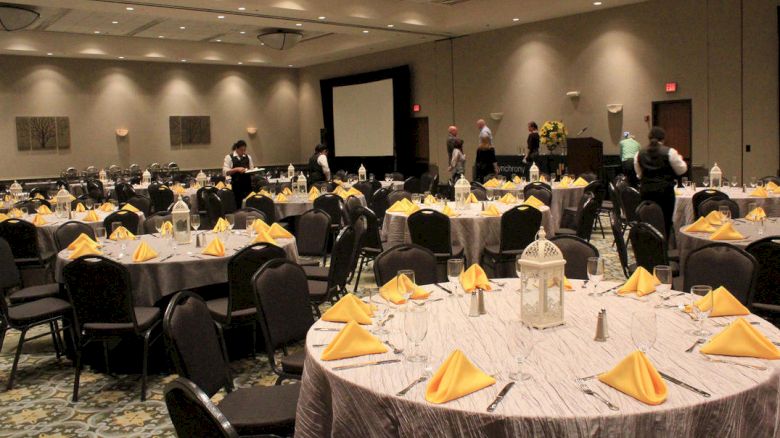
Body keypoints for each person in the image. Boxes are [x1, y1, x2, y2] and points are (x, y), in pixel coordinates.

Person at [633, 127, 687, 236]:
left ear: (649, 138)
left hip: (646, 192)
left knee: (647, 221)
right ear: (663, 139)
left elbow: (639, 175)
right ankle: (664, 243)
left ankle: (649, 243)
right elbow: (682, 170)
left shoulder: (639, 153)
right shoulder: (670, 152)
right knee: (665, 221)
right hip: (665, 193)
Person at [222, 140, 253, 205]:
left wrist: (251, 171)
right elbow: (225, 172)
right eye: (241, 150)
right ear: (236, 148)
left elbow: (251, 169)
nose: (243, 152)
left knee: (248, 204)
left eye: (244, 150)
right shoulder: (229, 157)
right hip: (236, 186)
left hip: (247, 185)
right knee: (238, 204)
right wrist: (236, 169)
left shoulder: (248, 157)